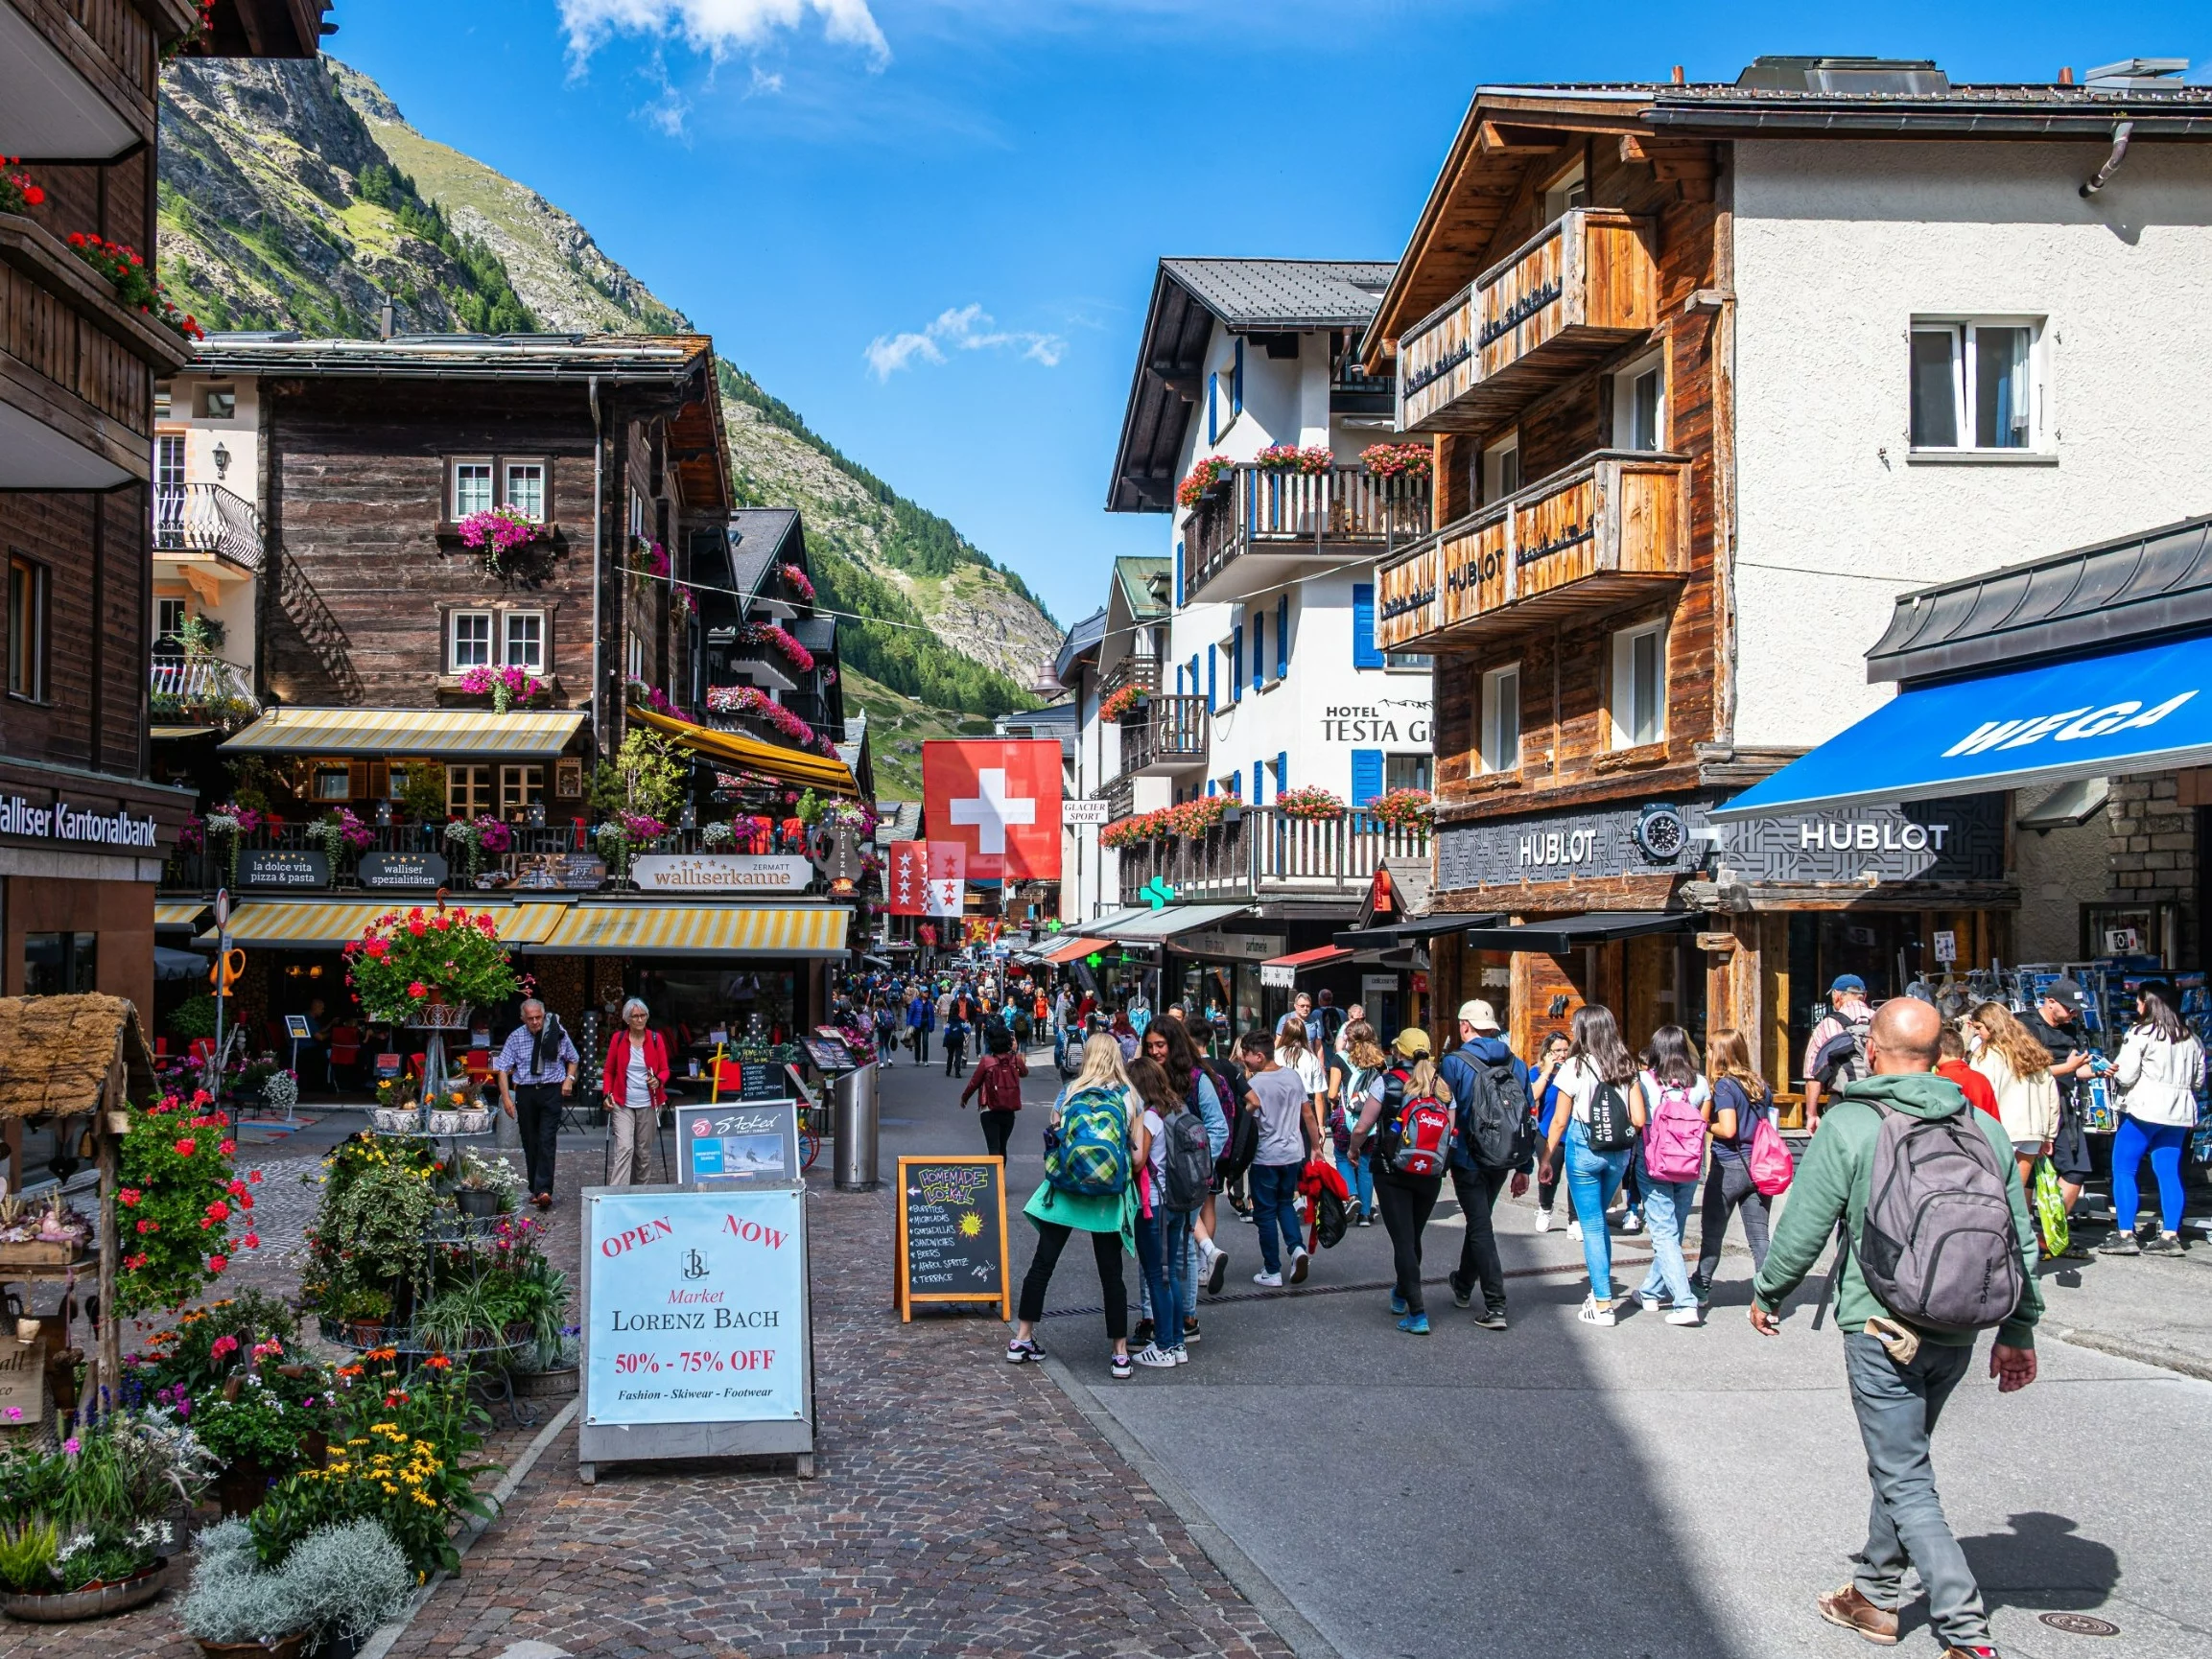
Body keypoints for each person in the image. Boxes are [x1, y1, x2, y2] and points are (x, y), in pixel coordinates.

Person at [1751, 997, 2041, 1659]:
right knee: (1902, 1461)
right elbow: (2018, 1238)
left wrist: (1770, 1291)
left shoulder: (1855, 1121)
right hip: (1958, 1325)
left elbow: (1804, 1226)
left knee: (1904, 1472)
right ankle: (1875, 1596)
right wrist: (2018, 1331)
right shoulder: (1981, 1126)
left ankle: (1966, 1631)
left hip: (1880, 1323)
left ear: (1871, 1053)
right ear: (1939, 1055)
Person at [1007, 1035, 1144, 1379]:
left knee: (1042, 1264)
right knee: (1111, 1275)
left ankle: (1022, 1338)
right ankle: (1119, 1353)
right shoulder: (1130, 1097)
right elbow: (1139, 1156)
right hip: (1107, 1198)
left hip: (1067, 1192)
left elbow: (1055, 1137)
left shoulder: (1069, 1091)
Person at [1538, 1004, 1640, 1326]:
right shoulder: (1627, 1066)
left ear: (1583, 1030)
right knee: (1599, 1222)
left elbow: (1559, 1120)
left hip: (1583, 1146)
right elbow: (1639, 1119)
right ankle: (1600, 1291)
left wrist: (1545, 1159)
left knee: (1593, 1225)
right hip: (1617, 1152)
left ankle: (1603, 1304)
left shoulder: (1574, 1066)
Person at [1346, 1027, 1450, 1335]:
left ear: (1400, 1052)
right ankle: (1402, 1292)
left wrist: (1354, 1149)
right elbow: (1449, 1133)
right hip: (1430, 1173)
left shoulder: (1386, 1081)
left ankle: (1417, 1313)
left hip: (1391, 1171)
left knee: (1403, 1240)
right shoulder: (1442, 1087)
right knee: (1412, 1236)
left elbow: (1363, 1126)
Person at [1438, 1000, 1529, 1329]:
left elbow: (1443, 1110)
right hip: (1503, 1157)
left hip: (1468, 1155)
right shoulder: (1516, 1064)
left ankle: (1496, 1305)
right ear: (1492, 1027)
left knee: (1480, 1225)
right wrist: (1524, 1167)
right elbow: (1524, 1117)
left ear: (1465, 1026)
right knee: (1480, 1221)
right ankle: (1463, 1284)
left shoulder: (1454, 1063)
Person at [1138, 1016, 1228, 1341]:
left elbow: (1218, 1128)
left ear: (1173, 1044)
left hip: (1186, 1179)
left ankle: (1183, 1319)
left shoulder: (1196, 1078)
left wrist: (1199, 1166)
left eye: (1160, 1045)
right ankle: (1157, 1318)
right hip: (1155, 1178)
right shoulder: (1146, 1074)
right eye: (1149, 1046)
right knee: (1156, 1252)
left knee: (1180, 1252)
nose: (1155, 1051)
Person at [2101, 980, 2203, 1256]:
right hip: (2179, 1111)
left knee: (2124, 1168)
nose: (2136, 1005)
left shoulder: (2141, 1033)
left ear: (2149, 1004)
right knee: (2168, 1171)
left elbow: (2126, 1074)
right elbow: (2199, 1080)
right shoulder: (2191, 1037)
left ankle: (2125, 1233)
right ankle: (2170, 1235)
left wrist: (2111, 1071)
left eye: (2138, 1001)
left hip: (2144, 1108)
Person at [1629, 1024, 1711, 1325]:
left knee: (1663, 1234)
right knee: (1671, 1232)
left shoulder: (1642, 1081)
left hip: (1653, 1161)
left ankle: (1684, 1303)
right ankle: (1650, 1291)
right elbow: (1702, 1125)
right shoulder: (1701, 1083)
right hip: (1688, 1165)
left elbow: (1636, 1121)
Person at [1692, 1028, 1776, 1300]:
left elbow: (1728, 1129)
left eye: (1712, 1048)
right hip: (1760, 1164)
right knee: (1759, 1236)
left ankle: (1701, 1286)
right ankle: (1767, 1295)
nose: (1708, 1053)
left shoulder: (1726, 1086)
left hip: (1729, 1164)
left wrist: (1702, 1122)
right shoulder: (1760, 1084)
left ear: (1723, 1053)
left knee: (1713, 1232)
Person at [2015, 978, 2097, 1251]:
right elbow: (2024, 1070)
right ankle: (2023, 1233)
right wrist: (2069, 1067)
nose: (2074, 1014)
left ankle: (2052, 1234)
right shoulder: (2025, 1026)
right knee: (2026, 1168)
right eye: (2069, 1008)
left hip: (2063, 1105)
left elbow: (2078, 1070)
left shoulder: (2072, 1029)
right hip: (2030, 1104)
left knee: (2076, 1168)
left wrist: (2095, 1070)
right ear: (2050, 1002)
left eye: (2077, 1010)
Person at [1237, 1028, 1320, 1289]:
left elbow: (1246, 1120)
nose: (1243, 1060)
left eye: (1246, 1055)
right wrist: (1315, 1146)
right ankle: (1296, 1249)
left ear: (1259, 1056)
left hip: (1266, 1156)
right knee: (1285, 1204)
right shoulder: (1293, 1077)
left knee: (1265, 1213)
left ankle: (1272, 1269)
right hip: (1292, 1153)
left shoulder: (1255, 1085)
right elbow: (1307, 1114)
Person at [1965, 1001, 2061, 1199]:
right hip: (2033, 1132)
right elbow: (2052, 1093)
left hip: (2002, 1131)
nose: (1977, 1033)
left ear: (1991, 1025)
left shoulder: (1986, 1055)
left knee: (1997, 1194)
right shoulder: (2032, 1051)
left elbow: (1981, 1093)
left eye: (1979, 1028)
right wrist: (2049, 1134)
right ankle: (2018, 1229)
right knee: (2016, 1194)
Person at [494, 997, 579, 1209]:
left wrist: (569, 1080)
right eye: (530, 1018)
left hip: (551, 1090)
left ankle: (544, 1190)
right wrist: (506, 1098)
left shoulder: (557, 1032)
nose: (535, 1022)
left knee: (547, 1139)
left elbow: (574, 1058)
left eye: (538, 1017)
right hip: (526, 1093)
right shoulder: (515, 1037)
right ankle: (536, 1188)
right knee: (530, 1140)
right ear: (523, 1018)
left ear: (544, 1015)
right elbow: (503, 1068)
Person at [600, 997, 668, 1187]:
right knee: (624, 1148)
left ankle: (639, 1193)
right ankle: (617, 1195)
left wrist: (658, 1080)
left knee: (643, 1153)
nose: (639, 1019)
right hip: (623, 1102)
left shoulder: (656, 1039)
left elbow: (665, 1070)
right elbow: (608, 1071)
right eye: (635, 1016)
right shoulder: (618, 1039)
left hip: (649, 1102)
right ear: (627, 1019)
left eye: (643, 1015)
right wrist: (607, 1093)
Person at [1330, 1022, 1386, 1227]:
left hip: (1346, 1118)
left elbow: (1332, 1093)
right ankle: (1364, 1214)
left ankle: (1352, 1196)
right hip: (1372, 1121)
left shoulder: (1340, 1058)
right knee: (1366, 1163)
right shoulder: (1380, 1061)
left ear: (1349, 1039)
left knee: (1342, 1156)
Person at [1802, 973, 1874, 1131]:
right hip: (1879, 1102)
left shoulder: (1828, 1024)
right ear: (1865, 996)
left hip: (1842, 1104)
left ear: (1837, 996)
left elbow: (1813, 1074)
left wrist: (1811, 1114)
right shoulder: (1882, 1020)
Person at [960, 1025, 1028, 1159]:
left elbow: (974, 1082)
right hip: (1009, 1109)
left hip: (989, 1109)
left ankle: (995, 1179)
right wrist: (1014, 1052)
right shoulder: (1015, 1060)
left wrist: (965, 1098)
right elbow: (1025, 1072)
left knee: (993, 1147)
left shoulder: (986, 1061)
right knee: (1003, 1146)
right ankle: (1000, 1178)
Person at [1528, 1031, 1572, 1232]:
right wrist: (1547, 1072)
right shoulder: (1536, 1072)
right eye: (1557, 1051)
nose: (1562, 1054)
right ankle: (1545, 1208)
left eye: (1565, 1050)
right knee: (1548, 1176)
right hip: (1547, 1133)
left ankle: (1575, 1220)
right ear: (1547, 1052)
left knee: (1577, 1179)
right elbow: (1531, 1097)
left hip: (1573, 1133)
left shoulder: (1575, 1070)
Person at [1936, 1026, 2001, 1121]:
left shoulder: (1938, 1081)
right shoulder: (1981, 1079)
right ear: (1963, 1053)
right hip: (1982, 1133)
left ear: (1937, 1051)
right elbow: (1994, 1121)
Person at [906, 985, 934, 1065]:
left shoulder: (929, 1003)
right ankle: (917, 1060)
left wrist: (932, 1026)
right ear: (921, 993)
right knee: (917, 1042)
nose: (926, 993)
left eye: (927, 992)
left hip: (926, 1023)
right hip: (917, 1024)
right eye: (925, 992)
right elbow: (910, 1013)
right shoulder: (915, 1002)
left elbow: (932, 1016)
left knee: (925, 1042)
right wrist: (908, 1024)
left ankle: (925, 1060)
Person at [942, 1003, 970, 1078]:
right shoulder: (961, 1021)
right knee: (958, 1056)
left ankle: (948, 1070)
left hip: (950, 1040)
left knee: (950, 1055)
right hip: (959, 1040)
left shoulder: (949, 1021)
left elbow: (946, 1031)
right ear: (958, 1012)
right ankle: (957, 1072)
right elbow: (967, 1030)